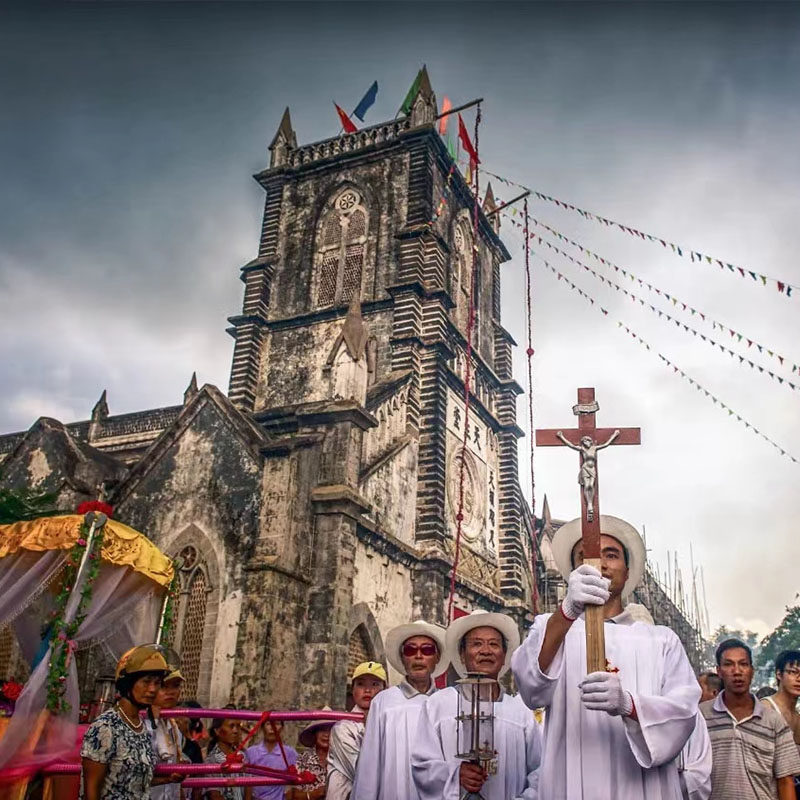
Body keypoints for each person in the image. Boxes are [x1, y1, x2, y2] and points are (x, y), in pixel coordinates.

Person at [511, 514, 702, 799]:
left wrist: (630, 705)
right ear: (574, 572)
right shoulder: (552, 628)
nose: (599, 564)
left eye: (610, 555)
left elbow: (684, 712)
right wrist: (567, 611)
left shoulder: (662, 640)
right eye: (584, 557)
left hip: (643, 787)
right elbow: (530, 688)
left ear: (627, 570)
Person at [411, 610, 542, 799]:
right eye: (477, 644)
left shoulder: (520, 713)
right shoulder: (438, 705)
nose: (486, 651)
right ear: (462, 655)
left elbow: (539, 770)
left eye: (494, 644)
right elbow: (422, 766)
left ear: (504, 655)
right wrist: (456, 776)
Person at [352, 620, 448, 800]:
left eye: (426, 650)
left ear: (437, 658)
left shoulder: (448, 704)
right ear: (403, 658)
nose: (418, 656)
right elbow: (369, 765)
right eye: (411, 650)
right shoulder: (384, 702)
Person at [80, 644, 183, 800]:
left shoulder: (140, 726)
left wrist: (168, 779)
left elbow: (133, 783)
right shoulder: (105, 727)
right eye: (146, 682)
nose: (153, 689)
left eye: (157, 683)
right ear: (128, 684)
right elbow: (91, 789)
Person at [701, 639, 800, 800]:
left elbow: (785, 781)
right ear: (719, 671)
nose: (737, 671)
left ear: (752, 671)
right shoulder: (701, 717)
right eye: (728, 664)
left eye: (743, 664)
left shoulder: (773, 721)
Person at [327, 661, 387, 800]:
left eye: (375, 684)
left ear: (385, 690)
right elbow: (362, 772)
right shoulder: (343, 728)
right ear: (353, 690)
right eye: (361, 684)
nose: (367, 690)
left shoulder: (388, 725)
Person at [147, 666, 186, 800]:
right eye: (164, 686)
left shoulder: (174, 729)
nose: (171, 692)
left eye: (175, 686)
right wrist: (167, 778)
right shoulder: (140, 725)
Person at [244, 719, 297, 800]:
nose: (273, 727)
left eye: (277, 723)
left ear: (282, 728)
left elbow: (292, 786)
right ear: (262, 728)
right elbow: (247, 785)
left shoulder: (290, 753)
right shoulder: (251, 752)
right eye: (268, 724)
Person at [289, 711, 336, 800]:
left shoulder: (341, 759)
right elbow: (291, 795)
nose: (326, 735)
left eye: (330, 730)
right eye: (322, 730)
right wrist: (314, 794)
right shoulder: (303, 759)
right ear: (315, 734)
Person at [205, 715, 244, 800]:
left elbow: (249, 787)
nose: (236, 731)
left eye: (238, 726)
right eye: (231, 726)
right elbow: (214, 794)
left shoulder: (243, 756)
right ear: (217, 731)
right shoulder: (211, 760)